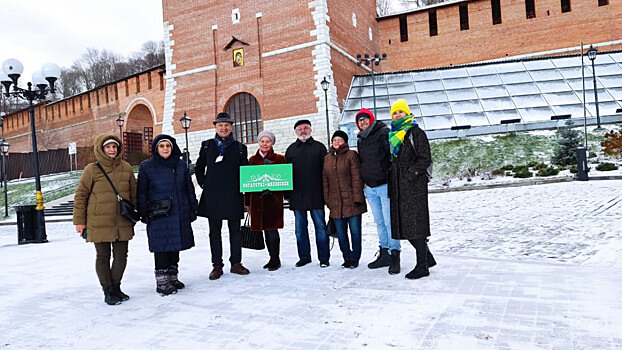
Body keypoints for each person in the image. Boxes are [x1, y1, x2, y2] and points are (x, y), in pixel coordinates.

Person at [73, 134, 136, 305]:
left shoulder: (126, 168)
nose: (111, 150)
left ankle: (116, 287)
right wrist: (79, 221)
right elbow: (81, 196)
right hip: (98, 221)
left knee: (121, 256)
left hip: (121, 220)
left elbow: (133, 194)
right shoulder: (92, 170)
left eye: (114, 147)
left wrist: (138, 213)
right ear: (101, 149)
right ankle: (107, 290)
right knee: (103, 256)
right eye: (108, 147)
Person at [137, 135, 198, 295]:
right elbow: (141, 192)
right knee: (162, 247)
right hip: (159, 213)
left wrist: (193, 206)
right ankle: (162, 282)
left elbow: (188, 187)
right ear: (156, 149)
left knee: (175, 245)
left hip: (178, 210)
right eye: (161, 146)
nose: (165, 149)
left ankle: (172, 276)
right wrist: (143, 211)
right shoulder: (147, 167)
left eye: (168, 146)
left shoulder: (179, 165)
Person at [195, 112, 250, 280]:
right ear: (216, 127)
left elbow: (245, 171)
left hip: (233, 194)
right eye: (220, 125)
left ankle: (236, 263)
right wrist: (205, 184)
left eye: (227, 125)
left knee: (235, 231)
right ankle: (217, 265)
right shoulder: (207, 146)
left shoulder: (240, 148)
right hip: (214, 196)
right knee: (215, 232)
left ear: (231, 127)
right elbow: (198, 168)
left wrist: (244, 189)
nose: (224, 128)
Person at [388, 99, 437, 279]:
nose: (397, 115)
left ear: (407, 113)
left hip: (414, 187)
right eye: (394, 113)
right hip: (399, 188)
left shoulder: (415, 133)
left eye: (400, 112)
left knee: (416, 226)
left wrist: (410, 174)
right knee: (405, 227)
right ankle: (427, 257)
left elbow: (425, 158)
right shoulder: (393, 135)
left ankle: (422, 266)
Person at [355, 108, 401, 274]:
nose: (363, 122)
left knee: (390, 222)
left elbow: (393, 156)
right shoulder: (361, 139)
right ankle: (384, 252)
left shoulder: (383, 132)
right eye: (360, 121)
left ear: (371, 119)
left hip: (384, 185)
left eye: (365, 119)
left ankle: (395, 255)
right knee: (380, 222)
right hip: (370, 188)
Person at [285, 119, 330, 267]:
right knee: (299, 230)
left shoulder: (320, 148)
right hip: (297, 197)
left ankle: (324, 258)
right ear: (296, 132)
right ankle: (304, 257)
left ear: (310, 130)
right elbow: (286, 175)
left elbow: (326, 172)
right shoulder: (291, 150)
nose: (303, 131)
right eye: (299, 129)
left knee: (320, 228)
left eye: (305, 128)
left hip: (316, 194)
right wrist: (287, 194)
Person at [323, 130, 367, 268]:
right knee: (341, 234)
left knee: (355, 232)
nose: (337, 142)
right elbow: (325, 182)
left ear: (345, 142)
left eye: (340, 140)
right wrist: (328, 200)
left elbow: (357, 178)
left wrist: (357, 198)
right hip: (336, 203)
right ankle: (346, 257)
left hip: (352, 201)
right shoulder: (327, 158)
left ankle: (355, 258)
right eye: (335, 139)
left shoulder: (351, 155)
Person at [245, 130, 286, 271]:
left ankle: (276, 259)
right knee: (263, 230)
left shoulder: (280, 159)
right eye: (262, 141)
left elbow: (284, 180)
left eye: (267, 141)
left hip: (273, 201)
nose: (265, 144)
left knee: (272, 230)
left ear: (272, 143)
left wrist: (276, 191)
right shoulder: (252, 160)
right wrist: (247, 203)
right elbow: (247, 183)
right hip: (257, 201)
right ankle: (271, 258)